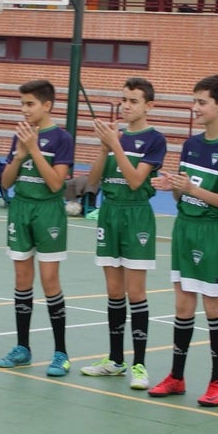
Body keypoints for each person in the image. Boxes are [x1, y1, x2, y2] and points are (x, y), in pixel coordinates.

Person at [147, 74, 218, 407]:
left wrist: (194, 189)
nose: (195, 108)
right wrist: (173, 185)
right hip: (184, 228)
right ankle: (177, 376)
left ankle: (217, 382)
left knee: (213, 304)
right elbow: (183, 197)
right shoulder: (191, 145)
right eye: (194, 101)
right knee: (182, 304)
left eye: (201, 102)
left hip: (212, 232)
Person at [79, 77, 167, 390]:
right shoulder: (114, 138)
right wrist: (104, 149)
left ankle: (140, 364)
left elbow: (134, 181)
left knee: (136, 292)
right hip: (110, 214)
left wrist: (115, 145)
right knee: (114, 292)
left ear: (149, 106)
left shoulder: (155, 139)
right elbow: (91, 181)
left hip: (137, 215)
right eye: (123, 100)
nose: (126, 106)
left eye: (133, 101)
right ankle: (116, 360)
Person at [0, 79, 75, 376]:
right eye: (22, 104)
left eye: (30, 104)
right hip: (21, 209)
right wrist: (19, 155)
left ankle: (61, 353)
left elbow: (56, 184)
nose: (25, 110)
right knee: (21, 279)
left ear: (47, 105)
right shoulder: (22, 137)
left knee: (50, 280)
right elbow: (5, 182)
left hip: (48, 212)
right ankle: (23, 348)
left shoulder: (61, 138)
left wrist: (34, 150)